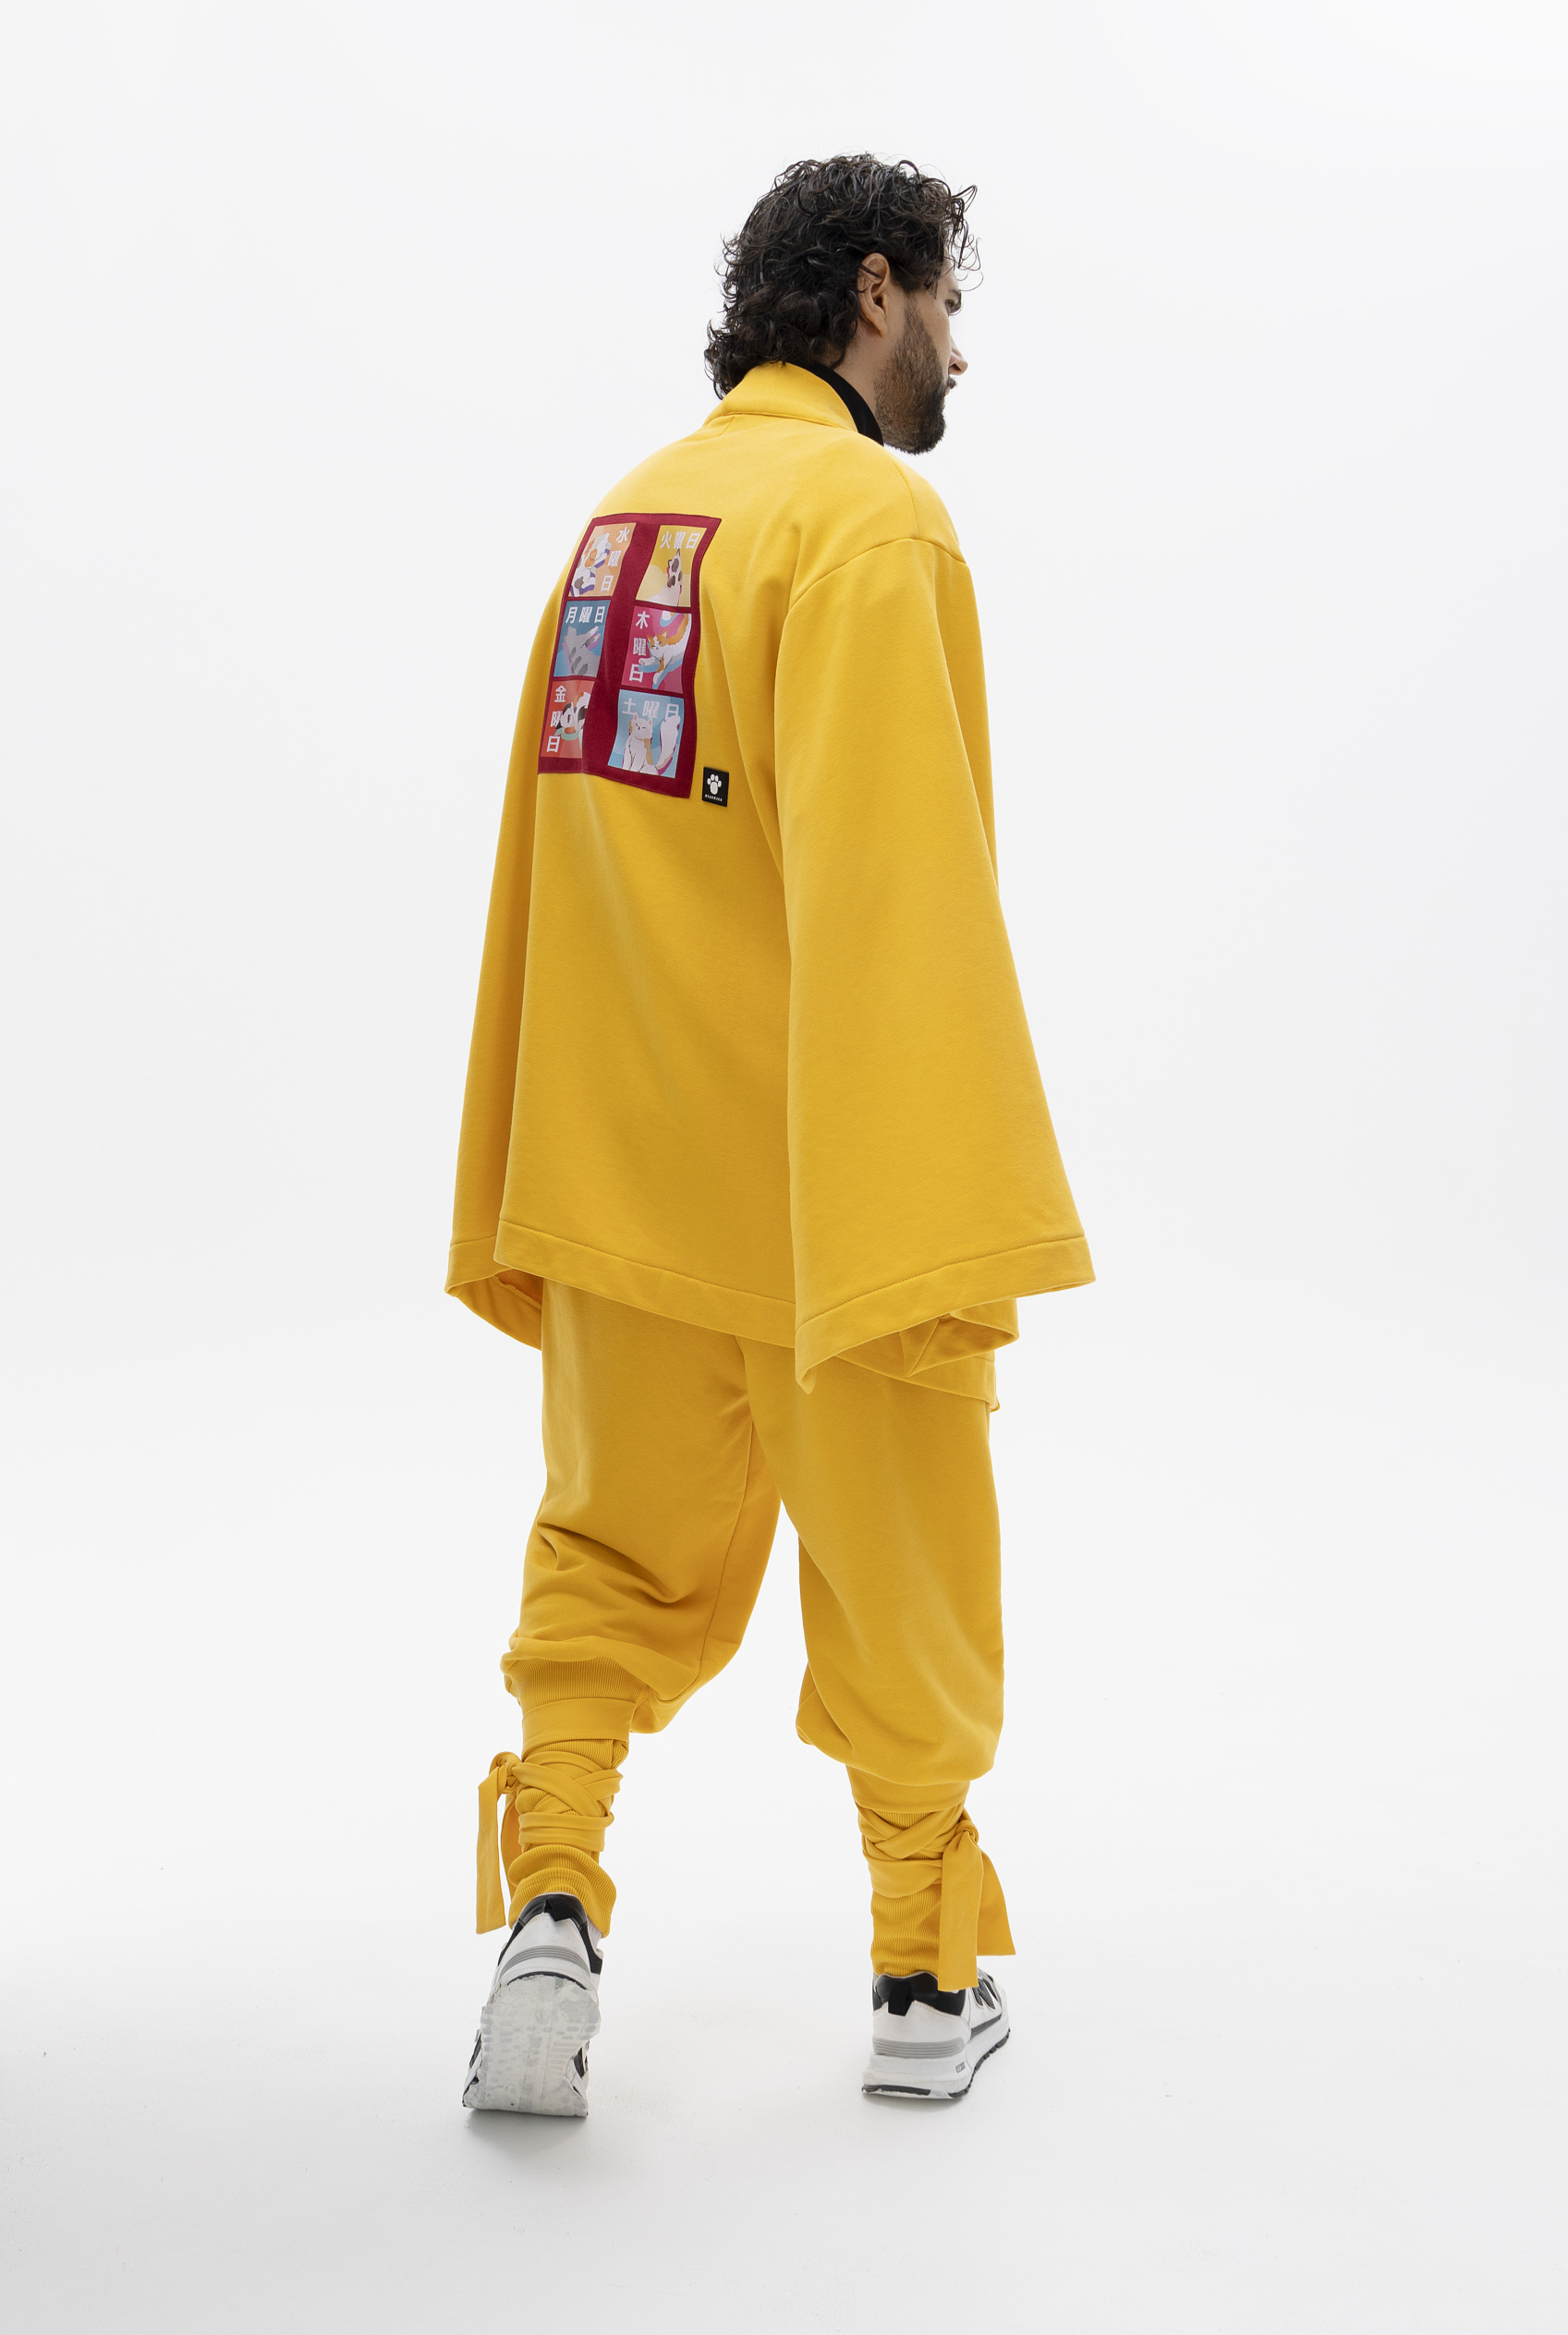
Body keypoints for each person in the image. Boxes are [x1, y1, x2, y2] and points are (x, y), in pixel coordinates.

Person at [448, 154, 1093, 2116]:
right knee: (908, 1589)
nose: (960, 354)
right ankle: (922, 1974)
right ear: (875, 291)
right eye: (950, 309)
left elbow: (561, 862)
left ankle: (547, 1914)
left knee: (602, 1564)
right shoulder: (865, 523)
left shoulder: (625, 519)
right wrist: (942, 1221)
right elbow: (899, 890)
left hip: (616, 1177)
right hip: (826, 1200)